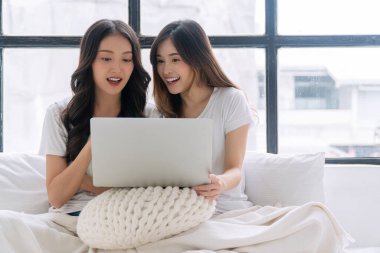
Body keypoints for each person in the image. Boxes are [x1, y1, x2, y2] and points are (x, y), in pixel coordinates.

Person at [40, 19, 158, 216]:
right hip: (77, 214)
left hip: (134, 213)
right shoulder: (59, 114)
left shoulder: (150, 115)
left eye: (126, 59)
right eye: (106, 58)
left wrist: (85, 181)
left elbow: (157, 186)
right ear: (89, 61)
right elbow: (57, 197)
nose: (117, 68)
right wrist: (96, 140)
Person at [149, 19, 255, 214]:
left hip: (226, 210)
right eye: (160, 61)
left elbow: (235, 170)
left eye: (175, 59)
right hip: (179, 211)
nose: (165, 70)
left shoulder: (230, 100)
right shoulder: (160, 112)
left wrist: (220, 182)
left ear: (196, 59)